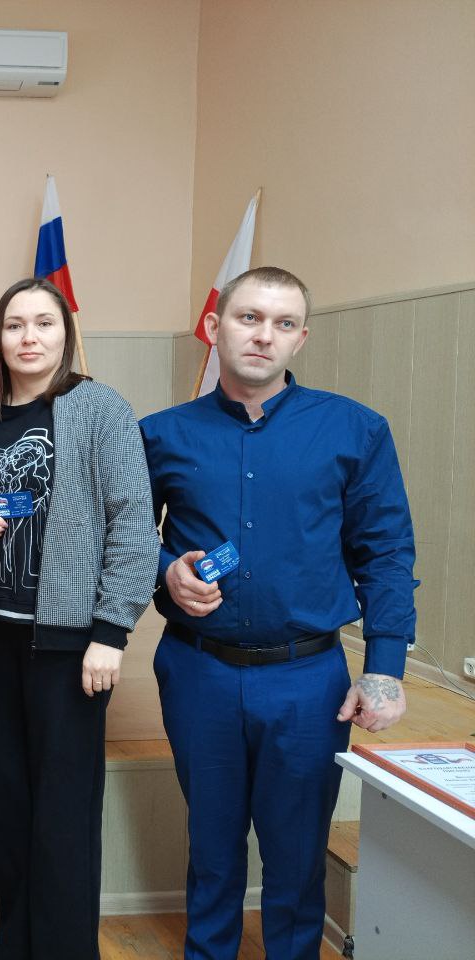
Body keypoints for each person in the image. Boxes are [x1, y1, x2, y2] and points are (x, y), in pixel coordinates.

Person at [140, 266, 416, 960]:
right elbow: (127, 542)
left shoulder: (356, 430)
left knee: (296, 859)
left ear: (301, 339)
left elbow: (386, 552)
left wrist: (385, 667)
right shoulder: (160, 435)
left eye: (283, 323)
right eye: (249, 318)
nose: (264, 335)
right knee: (212, 850)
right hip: (198, 673)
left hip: (307, 681)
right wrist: (164, 572)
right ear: (215, 327)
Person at [0, 277, 159, 959]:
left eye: (44, 323)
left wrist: (111, 631)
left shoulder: (98, 408)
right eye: (14, 325)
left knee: (64, 808)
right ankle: (16, 943)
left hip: (69, 643)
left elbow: (133, 522)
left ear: (66, 334)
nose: (29, 337)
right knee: (5, 799)